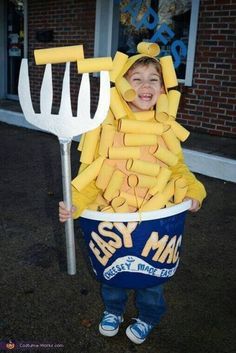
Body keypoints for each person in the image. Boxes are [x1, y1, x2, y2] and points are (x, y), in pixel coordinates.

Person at [59, 55, 206, 344]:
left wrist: (193, 192)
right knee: (111, 274)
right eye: (135, 78)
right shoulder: (105, 128)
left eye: (153, 79)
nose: (145, 85)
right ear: (121, 86)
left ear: (164, 89)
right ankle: (113, 309)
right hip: (111, 217)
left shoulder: (166, 128)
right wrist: (75, 203)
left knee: (152, 279)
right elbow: (91, 173)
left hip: (156, 219)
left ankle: (148, 316)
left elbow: (178, 168)